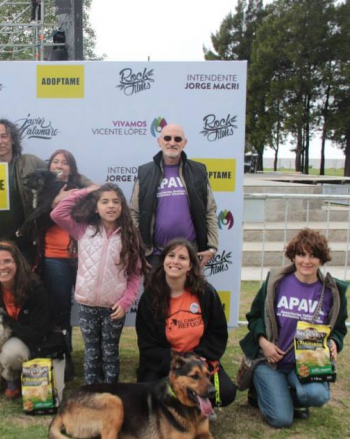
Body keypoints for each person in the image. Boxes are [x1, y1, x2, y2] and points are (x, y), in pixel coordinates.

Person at [240, 228, 348, 428]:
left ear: (321, 259)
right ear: (293, 256)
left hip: (307, 362)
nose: (306, 261)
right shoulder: (276, 282)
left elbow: (339, 329)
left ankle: (289, 395)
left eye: (313, 255)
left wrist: (334, 342)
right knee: (281, 419)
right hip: (270, 361)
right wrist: (264, 344)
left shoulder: (332, 292)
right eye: (301, 254)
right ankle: (260, 389)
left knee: (318, 395)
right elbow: (254, 317)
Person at [51, 183, 147, 385]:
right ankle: (91, 393)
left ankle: (111, 393)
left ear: (122, 206)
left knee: (110, 353)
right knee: (91, 352)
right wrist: (86, 191)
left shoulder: (129, 236)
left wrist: (125, 302)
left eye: (115, 201)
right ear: (96, 207)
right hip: (87, 305)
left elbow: (135, 274)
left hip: (113, 308)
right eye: (104, 201)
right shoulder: (83, 230)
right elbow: (58, 213)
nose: (110, 206)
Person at [135, 238, 236, 412]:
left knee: (226, 393)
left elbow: (217, 333)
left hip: (198, 361)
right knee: (147, 398)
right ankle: (187, 404)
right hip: (165, 364)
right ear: (163, 261)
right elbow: (147, 345)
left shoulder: (205, 293)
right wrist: (178, 362)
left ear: (190, 266)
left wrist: (197, 358)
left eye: (182, 258)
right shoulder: (150, 297)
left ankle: (194, 402)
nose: (175, 261)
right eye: (171, 256)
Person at [34, 149, 92, 379]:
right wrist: (54, 201)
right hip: (54, 257)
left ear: (72, 168)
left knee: (90, 309)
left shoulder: (82, 190)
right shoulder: (40, 191)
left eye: (65, 162)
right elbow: (35, 221)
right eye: (55, 161)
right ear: (49, 167)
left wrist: (75, 196)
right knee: (60, 311)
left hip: (82, 257)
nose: (59, 165)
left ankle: (93, 357)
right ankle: (64, 359)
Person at [130, 123, 218, 270]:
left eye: (177, 139)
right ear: (159, 141)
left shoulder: (198, 171)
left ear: (184, 143)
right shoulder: (145, 173)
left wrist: (212, 247)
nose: (172, 142)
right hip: (155, 255)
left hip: (189, 254)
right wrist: (138, 250)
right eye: (167, 138)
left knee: (189, 288)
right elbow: (134, 213)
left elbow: (209, 211)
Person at [0, 240, 50, 398]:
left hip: (35, 341)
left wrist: (6, 328)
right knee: (0, 348)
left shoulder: (35, 287)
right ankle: (11, 378)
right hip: (8, 337)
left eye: (7, 261)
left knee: (12, 354)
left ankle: (18, 375)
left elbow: (37, 332)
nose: (2, 267)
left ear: (17, 263)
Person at [0, 118, 46, 264]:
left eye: (4, 136)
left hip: (25, 244)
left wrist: (87, 186)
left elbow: (58, 173)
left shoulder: (31, 162)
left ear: (13, 139)